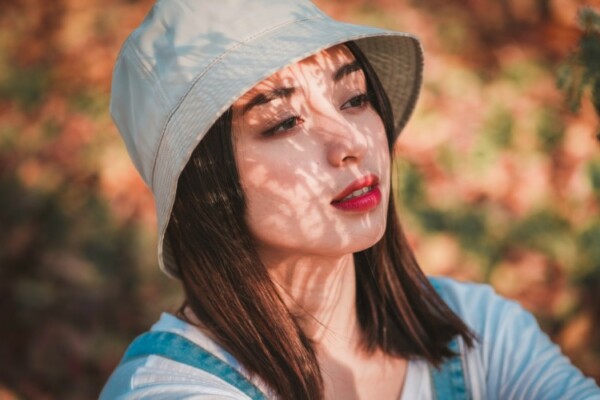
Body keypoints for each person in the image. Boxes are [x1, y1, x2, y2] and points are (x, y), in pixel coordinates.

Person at [100, 0, 600, 398]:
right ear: (204, 187)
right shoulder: (171, 389)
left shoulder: (476, 332)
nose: (351, 144)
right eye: (284, 122)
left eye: (355, 99)